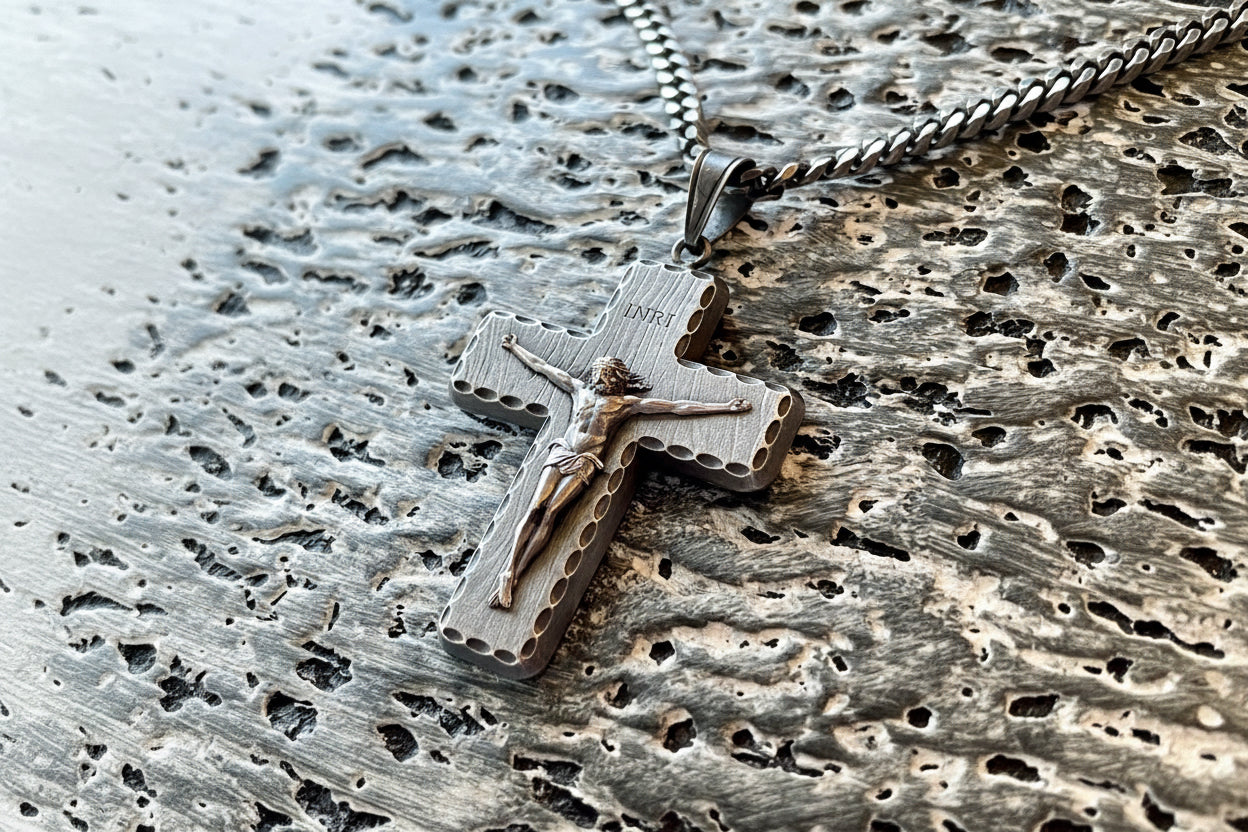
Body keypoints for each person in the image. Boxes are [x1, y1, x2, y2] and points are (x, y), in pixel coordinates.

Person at [491, 333, 752, 609]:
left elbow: (677, 408)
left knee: (551, 515)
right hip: (562, 451)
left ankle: (517, 577)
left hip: (586, 461)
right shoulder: (579, 389)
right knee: (534, 508)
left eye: (603, 373)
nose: (597, 377)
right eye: (597, 372)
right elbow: (542, 366)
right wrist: (515, 346)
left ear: (614, 378)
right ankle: (507, 570)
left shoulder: (625, 404)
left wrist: (724, 407)